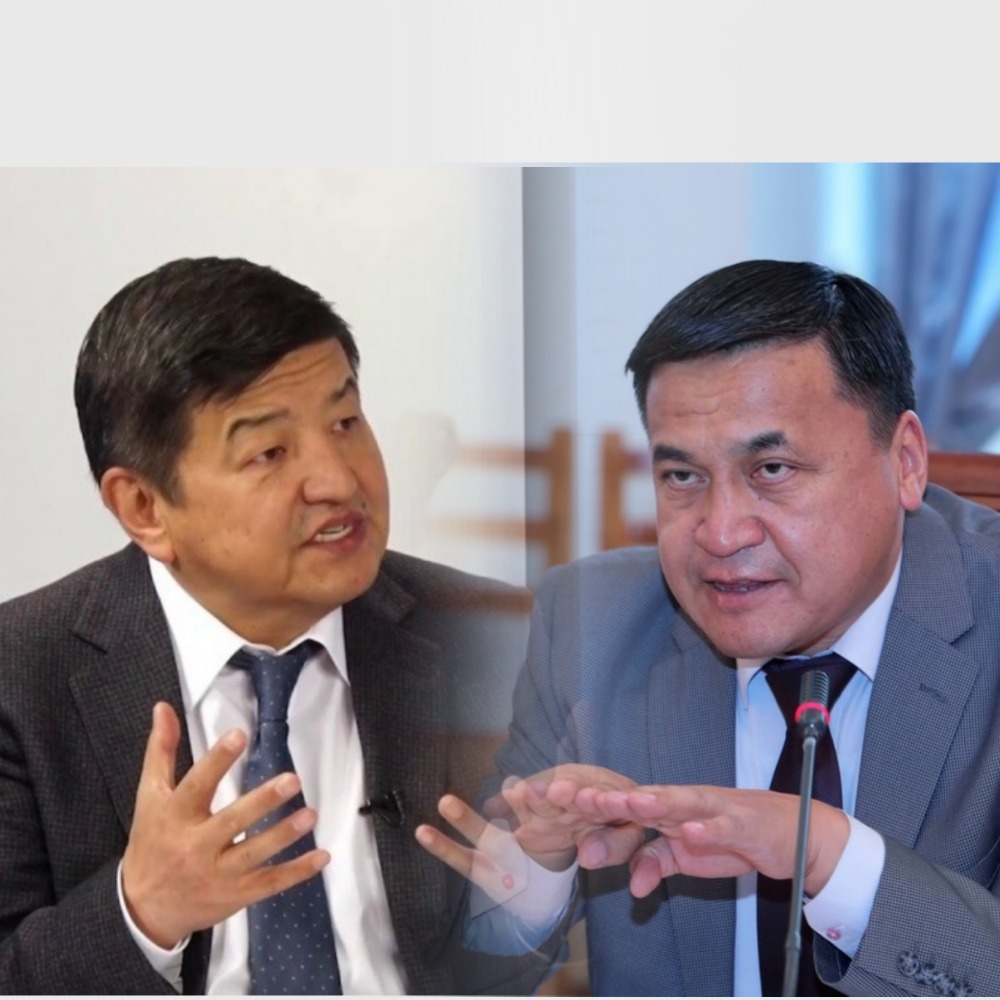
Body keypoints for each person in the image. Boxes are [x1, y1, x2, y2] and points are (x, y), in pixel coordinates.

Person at [417, 259, 1000, 997]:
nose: (720, 534)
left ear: (906, 462)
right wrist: (541, 871)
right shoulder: (591, 625)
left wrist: (828, 855)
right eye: (682, 478)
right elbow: (461, 967)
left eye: (772, 469)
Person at [0, 256, 556, 994]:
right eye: (269, 452)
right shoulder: (20, 675)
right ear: (144, 507)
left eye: (346, 422)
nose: (340, 480)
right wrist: (141, 913)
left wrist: (543, 898)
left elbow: (520, 953)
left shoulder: (495, 637)